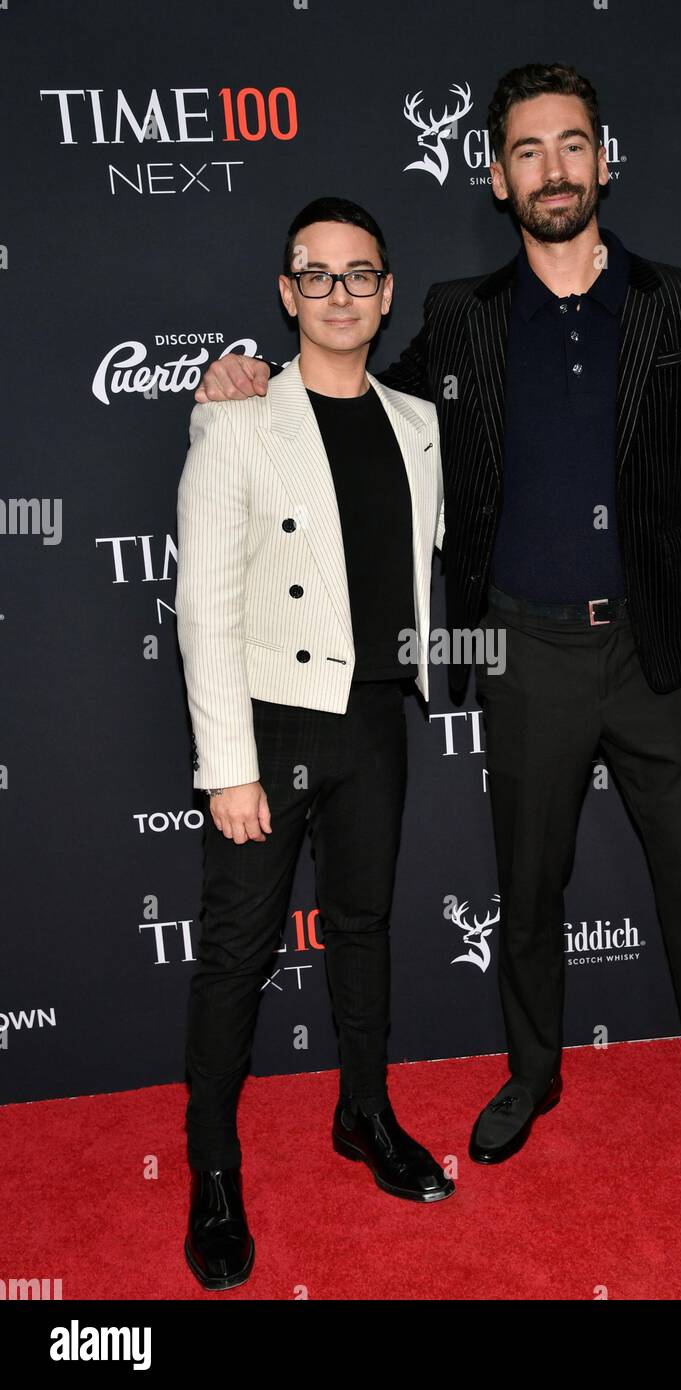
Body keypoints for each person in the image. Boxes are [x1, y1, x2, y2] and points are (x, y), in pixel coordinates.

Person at [197, 64, 681, 1192]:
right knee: (527, 893)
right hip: (524, 653)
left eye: (571, 145)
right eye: (526, 151)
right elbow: (354, 399)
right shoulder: (457, 319)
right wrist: (243, 368)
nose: (552, 169)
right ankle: (530, 1077)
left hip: (661, 654)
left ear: (602, 160)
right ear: (496, 177)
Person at [176, 196, 451, 1293]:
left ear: (386, 295)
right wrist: (227, 763)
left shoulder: (419, 420)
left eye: (360, 273)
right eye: (317, 274)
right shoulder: (238, 422)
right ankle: (209, 1167)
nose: (340, 292)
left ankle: (363, 1115)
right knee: (238, 951)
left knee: (366, 928)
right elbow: (205, 605)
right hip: (272, 722)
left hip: (377, 715)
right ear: (288, 295)